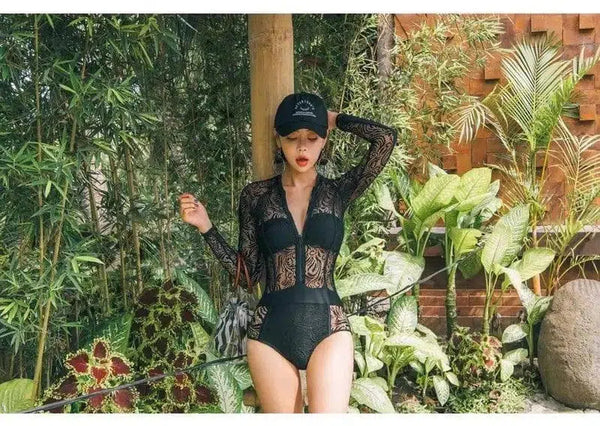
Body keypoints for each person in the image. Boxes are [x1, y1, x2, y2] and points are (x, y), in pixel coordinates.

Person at [178, 92, 397, 413]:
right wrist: (206, 227)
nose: (302, 147)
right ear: (278, 139)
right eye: (292, 138)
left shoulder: (338, 192)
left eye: (312, 137)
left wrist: (334, 119)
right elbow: (248, 275)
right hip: (270, 332)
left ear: (324, 140)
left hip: (329, 328)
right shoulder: (256, 196)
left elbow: (385, 139)